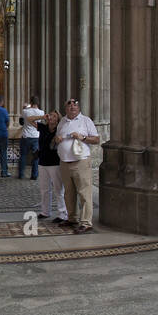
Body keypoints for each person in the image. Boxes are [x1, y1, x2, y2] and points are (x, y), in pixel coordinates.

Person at [55, 98, 104, 232]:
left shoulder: (86, 121)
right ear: (66, 108)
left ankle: (86, 222)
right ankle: (72, 218)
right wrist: (57, 139)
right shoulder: (63, 121)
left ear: (79, 108)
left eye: (75, 105)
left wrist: (82, 137)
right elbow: (57, 137)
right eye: (69, 105)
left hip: (81, 162)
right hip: (65, 162)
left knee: (84, 193)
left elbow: (96, 139)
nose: (72, 107)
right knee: (69, 193)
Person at [34, 105, 67, 227]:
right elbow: (29, 119)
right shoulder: (42, 127)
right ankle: (45, 211)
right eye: (50, 115)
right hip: (42, 162)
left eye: (54, 116)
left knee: (59, 189)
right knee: (44, 189)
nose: (51, 117)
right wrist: (42, 116)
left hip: (55, 163)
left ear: (58, 120)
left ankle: (63, 214)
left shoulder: (60, 130)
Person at [16, 96, 44, 180]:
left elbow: (21, 122)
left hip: (26, 136)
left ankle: (21, 174)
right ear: (38, 103)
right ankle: (34, 175)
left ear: (30, 102)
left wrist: (24, 108)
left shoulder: (25, 111)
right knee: (36, 157)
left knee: (23, 156)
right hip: (36, 136)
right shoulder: (42, 112)